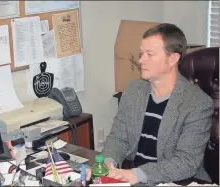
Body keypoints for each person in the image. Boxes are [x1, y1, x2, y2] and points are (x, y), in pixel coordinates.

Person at [86, 23, 214, 186]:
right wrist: (108, 163)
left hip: (177, 181)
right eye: (141, 53)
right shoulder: (134, 90)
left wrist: (135, 175)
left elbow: (186, 162)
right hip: (136, 178)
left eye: (149, 54)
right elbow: (119, 137)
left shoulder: (197, 103)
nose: (140, 60)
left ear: (172, 59)